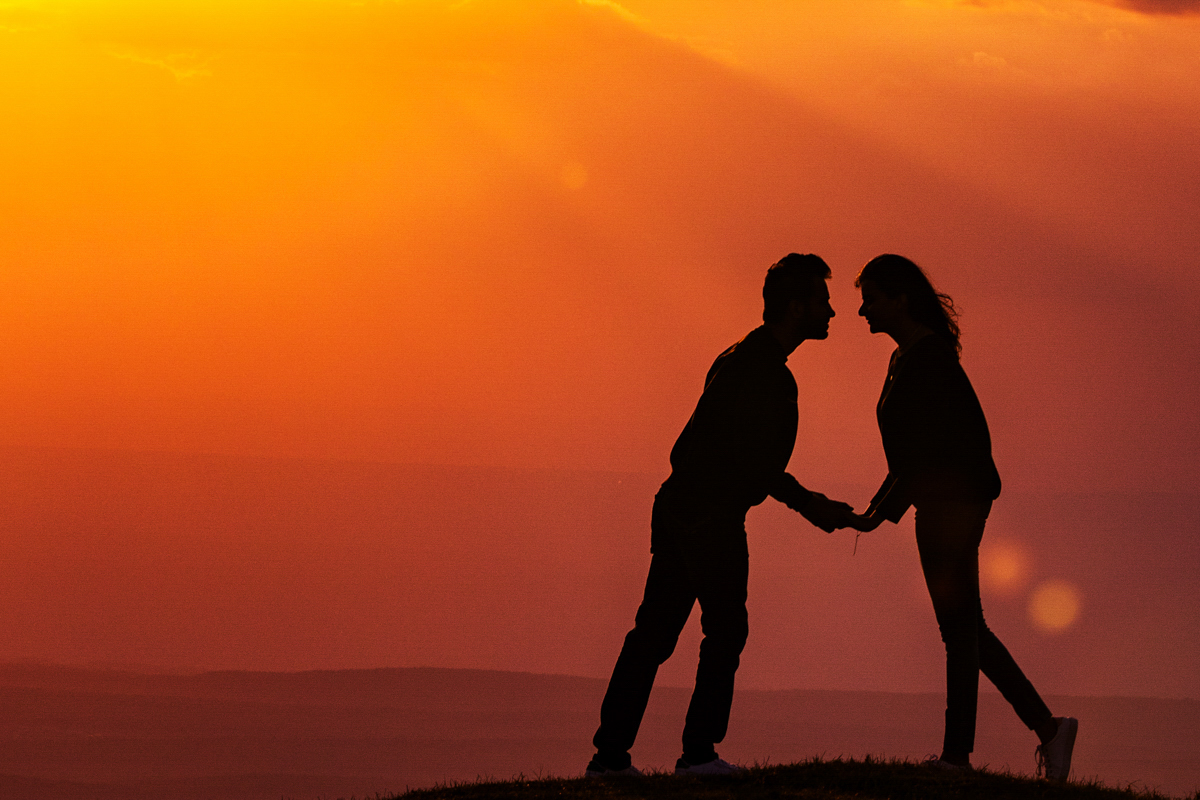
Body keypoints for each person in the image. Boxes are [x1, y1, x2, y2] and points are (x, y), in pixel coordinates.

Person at [585, 253, 854, 778]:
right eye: (823, 301)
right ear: (797, 307)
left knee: (654, 634)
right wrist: (813, 506)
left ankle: (610, 756)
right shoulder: (769, 376)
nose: (833, 313)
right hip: (712, 517)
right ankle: (698, 754)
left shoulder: (734, 357)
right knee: (725, 631)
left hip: (679, 507)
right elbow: (757, 464)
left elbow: (702, 450)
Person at [846, 254, 1078, 779]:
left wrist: (877, 515)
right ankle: (1049, 728)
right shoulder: (910, 356)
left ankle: (958, 755)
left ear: (900, 299)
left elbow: (927, 450)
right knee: (968, 628)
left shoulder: (927, 360)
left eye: (872, 297)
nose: (862, 310)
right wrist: (877, 511)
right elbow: (910, 455)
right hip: (944, 500)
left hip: (955, 502)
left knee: (959, 631)